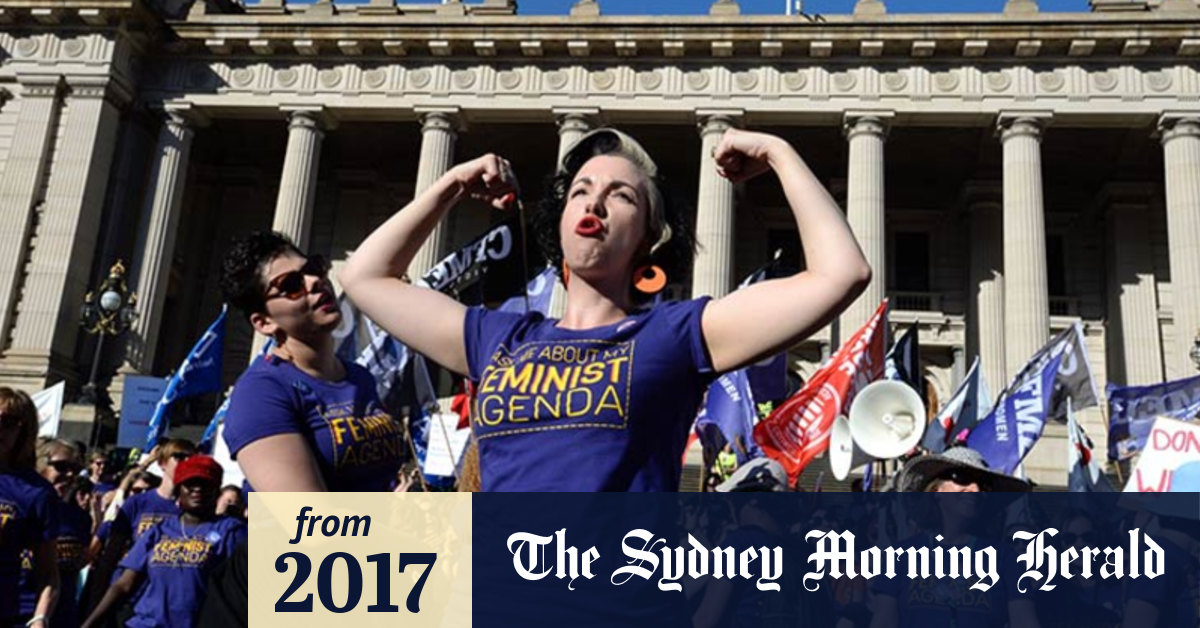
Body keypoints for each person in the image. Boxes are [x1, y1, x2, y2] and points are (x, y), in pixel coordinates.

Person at [340, 127, 870, 491]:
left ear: (650, 238)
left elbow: (841, 274)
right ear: (560, 222)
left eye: (621, 196)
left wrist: (779, 153)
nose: (594, 202)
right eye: (580, 191)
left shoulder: (674, 335)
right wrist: (451, 185)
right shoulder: (497, 338)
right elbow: (366, 277)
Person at [218, 231, 406, 492]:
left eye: (314, 268)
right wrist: (394, 513)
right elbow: (306, 515)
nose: (315, 281)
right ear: (264, 322)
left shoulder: (359, 377)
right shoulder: (259, 394)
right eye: (291, 285)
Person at [870, 446, 1038, 628]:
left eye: (984, 485)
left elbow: (1024, 621)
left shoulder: (1005, 559)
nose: (975, 489)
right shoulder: (899, 556)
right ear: (936, 491)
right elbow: (884, 621)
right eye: (962, 477)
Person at [81, 455, 246, 628]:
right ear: (179, 489)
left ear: (216, 491)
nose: (197, 489)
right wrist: (89, 624)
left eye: (205, 484)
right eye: (190, 484)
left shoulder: (231, 531)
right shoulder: (159, 530)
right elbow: (124, 585)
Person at [17, 440, 92, 628]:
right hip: (15, 609)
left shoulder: (80, 518)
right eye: (61, 467)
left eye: (75, 469)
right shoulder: (16, 510)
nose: (70, 474)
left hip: (60, 617)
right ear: (40, 465)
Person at [0, 388, 59, 628]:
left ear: (24, 431)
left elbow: (48, 573)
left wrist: (40, 619)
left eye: (8, 422)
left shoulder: (35, 492)